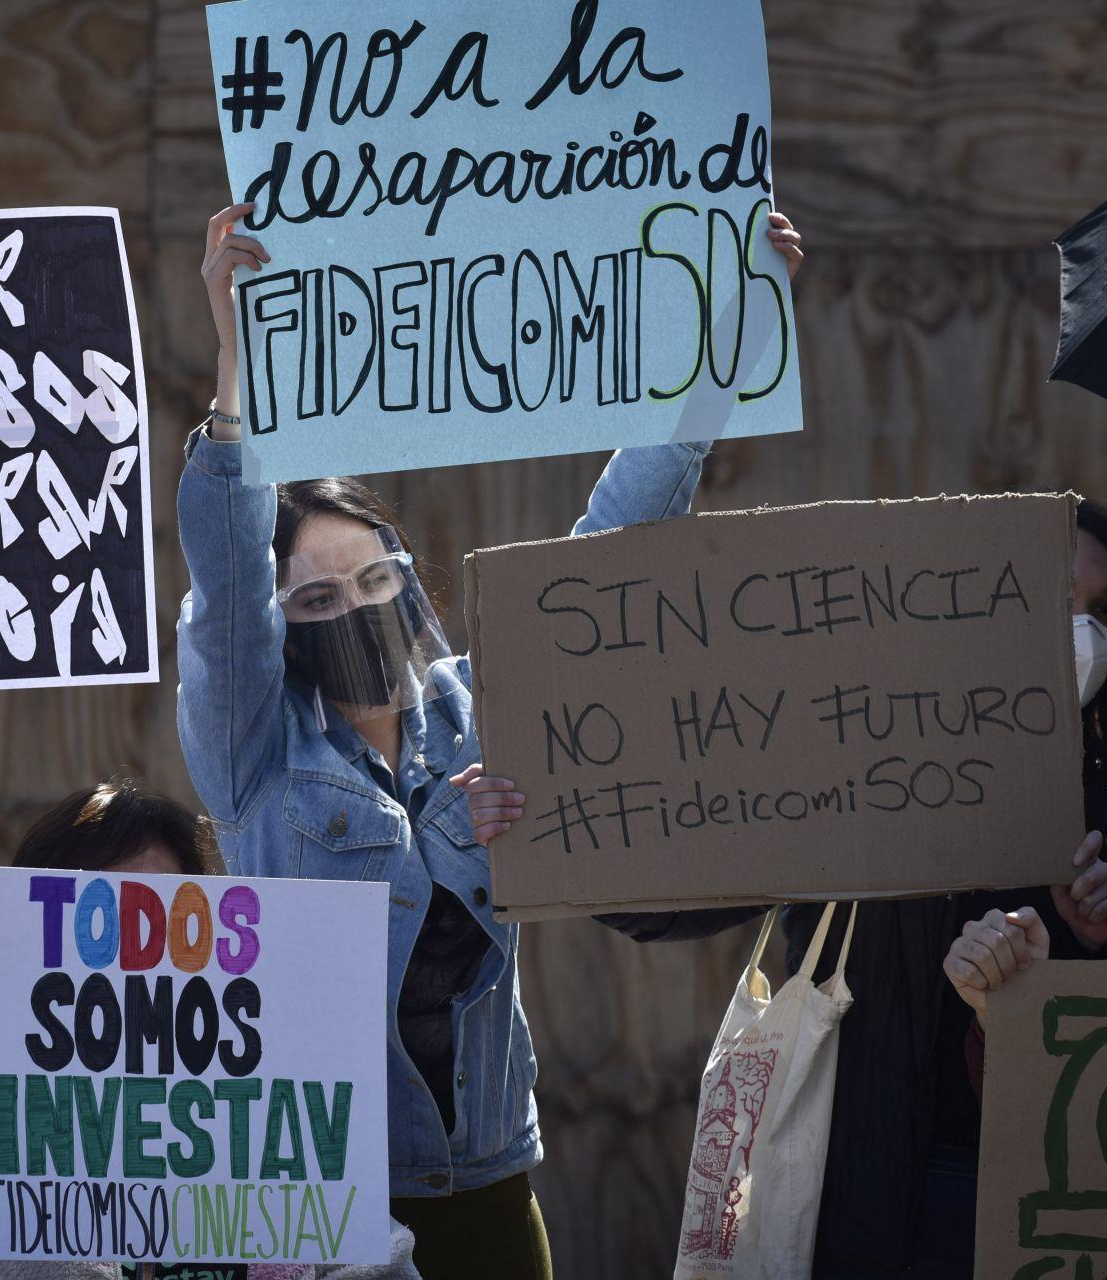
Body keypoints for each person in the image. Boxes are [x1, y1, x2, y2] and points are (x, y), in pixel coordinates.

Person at [177, 203, 806, 1279]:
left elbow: (609, 541)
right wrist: (234, 369)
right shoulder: (255, 751)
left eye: (375, 581)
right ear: (282, 629)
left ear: (411, 579)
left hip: (485, 1180)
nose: (357, 609)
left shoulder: (483, 703)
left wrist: (722, 352)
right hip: (318, 1191)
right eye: (318, 598)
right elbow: (227, 585)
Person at [594, 497, 1107, 1278]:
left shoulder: (1100, 809)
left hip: (1021, 1214)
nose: (1081, 633)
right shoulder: (860, 766)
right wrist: (550, 827)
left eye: (1102, 612)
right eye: (1051, 595)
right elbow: (657, 904)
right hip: (847, 1198)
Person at [0, 779, 423, 1280]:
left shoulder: (281, 1077)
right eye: (100, 913)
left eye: (163, 910)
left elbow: (380, 1259)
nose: (133, 945)